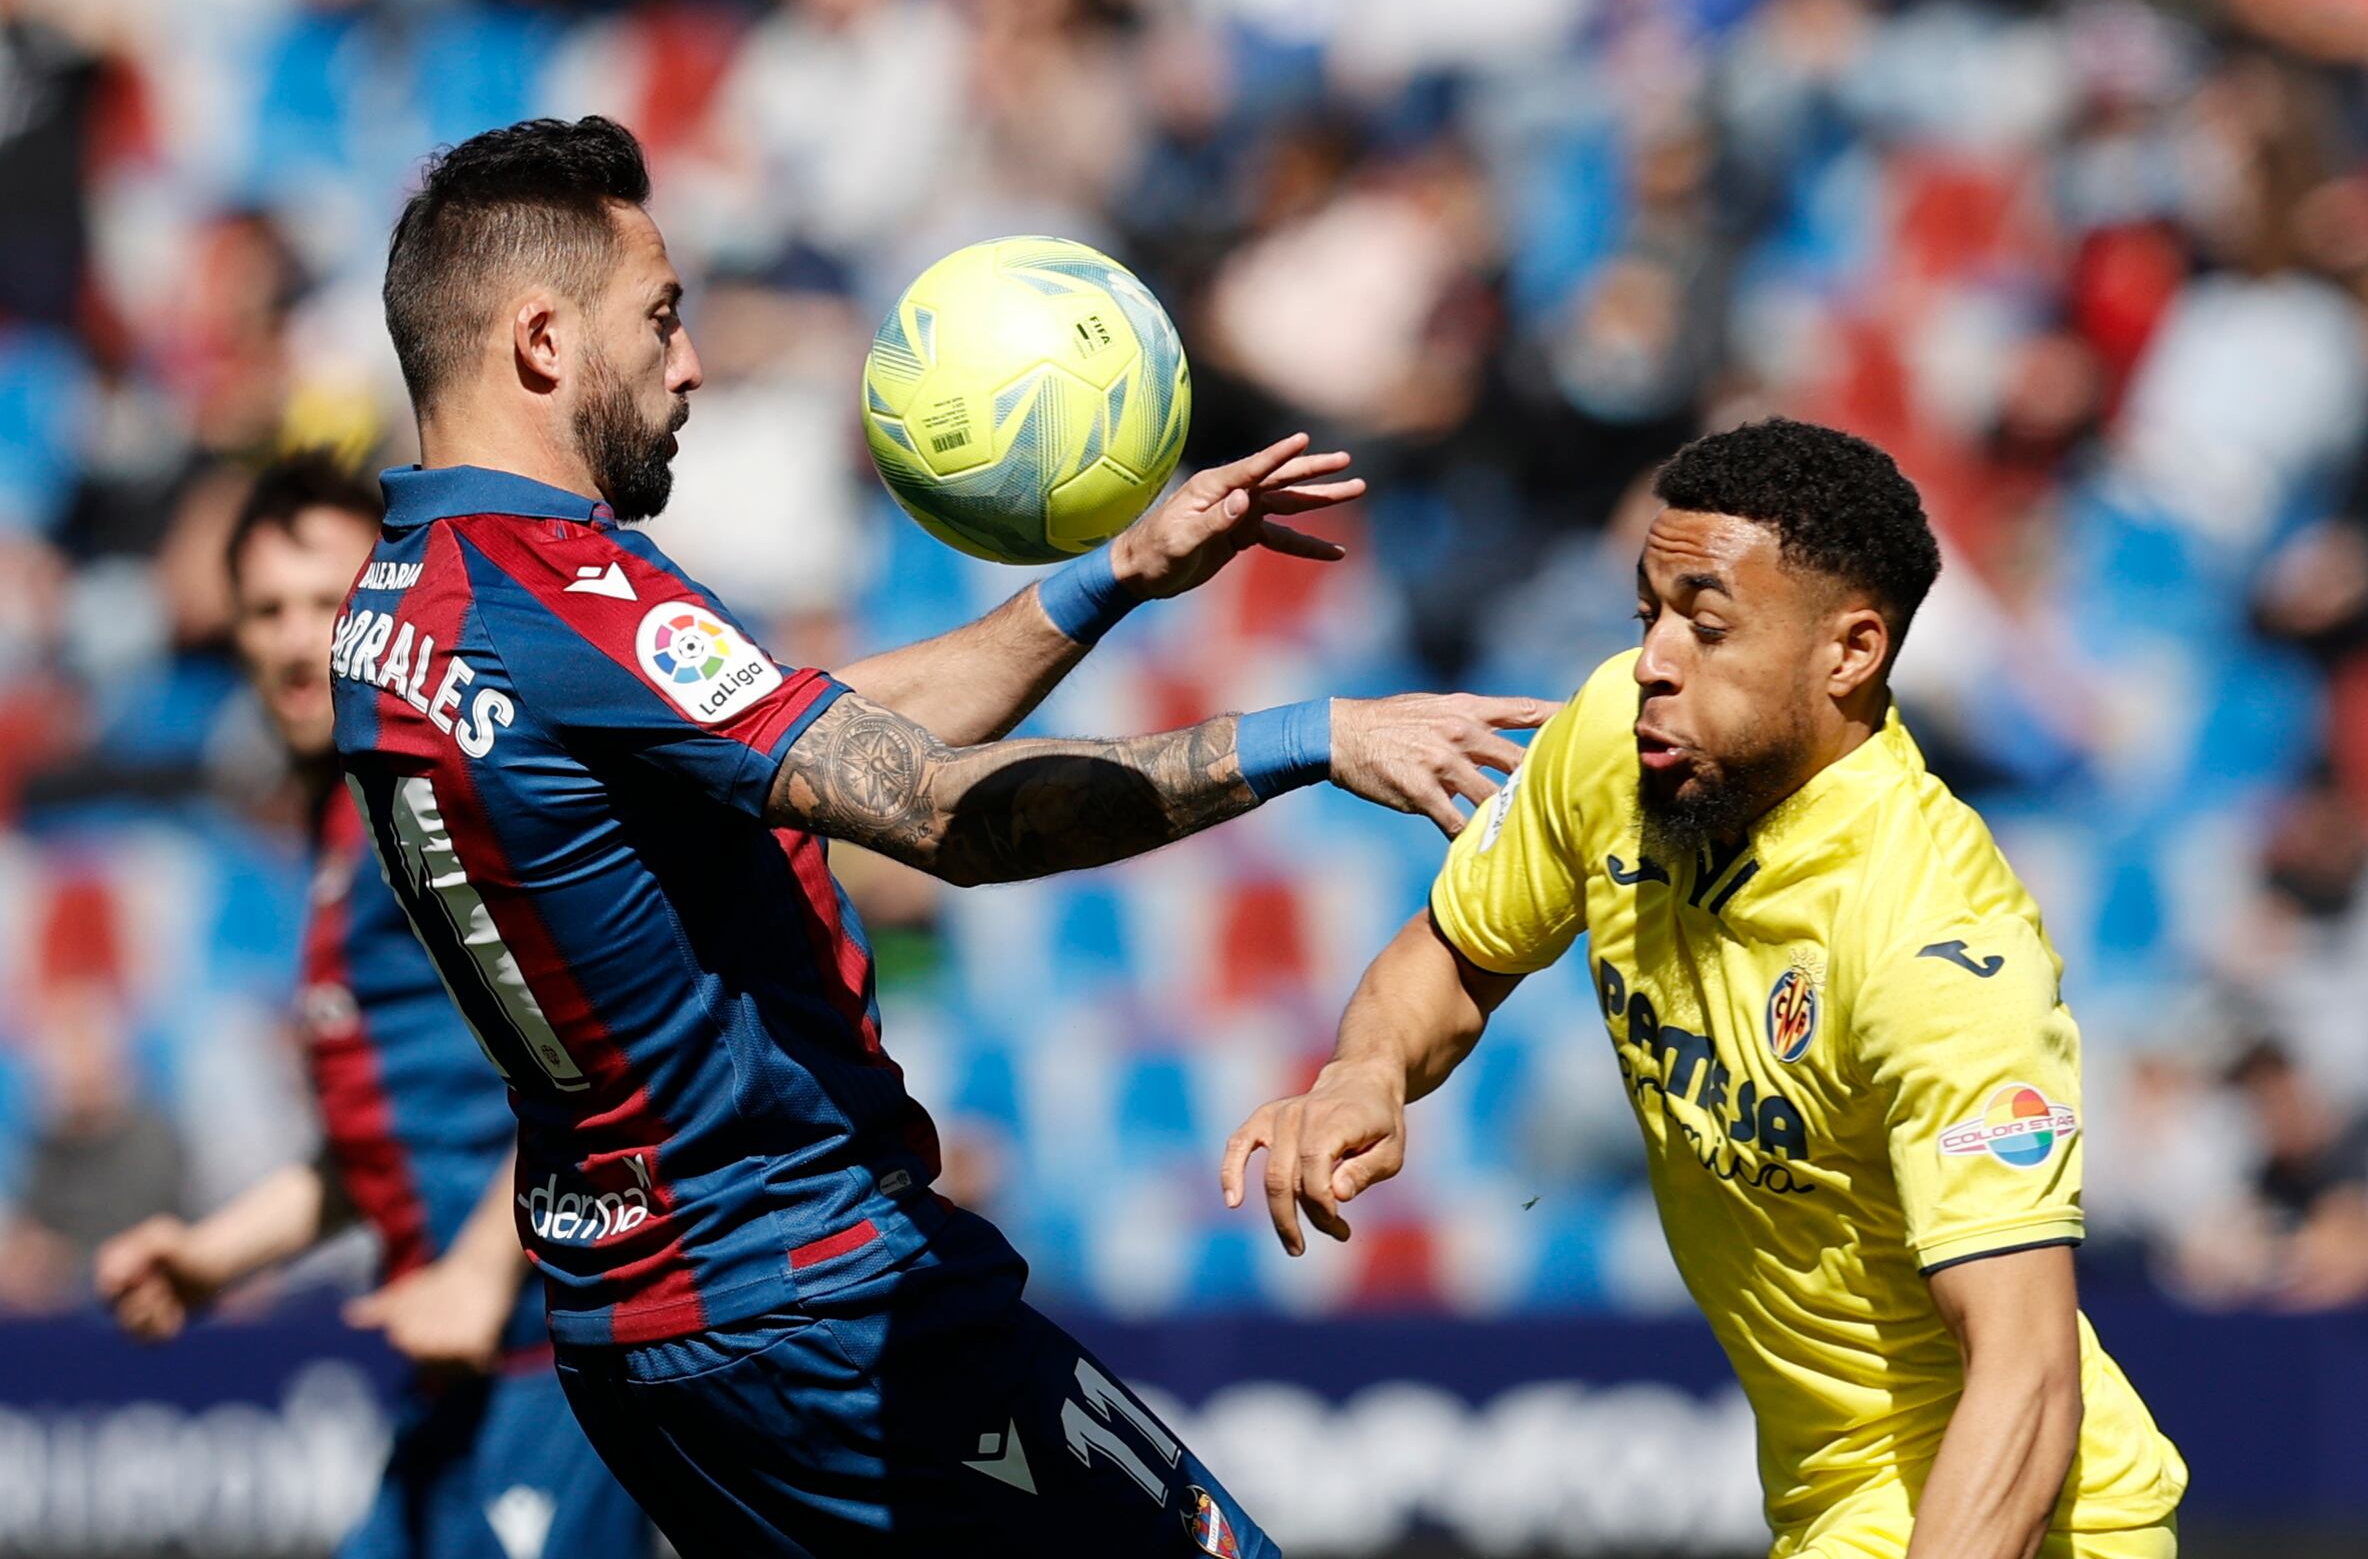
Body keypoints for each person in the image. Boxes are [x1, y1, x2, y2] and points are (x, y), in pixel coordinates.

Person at [332, 114, 1546, 1559]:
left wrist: (1114, 579)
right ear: (542, 340)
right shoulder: (566, 593)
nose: (692, 362)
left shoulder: (404, 602)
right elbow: (938, 815)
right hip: (815, 1293)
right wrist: (1308, 738)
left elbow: (820, 729)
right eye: (658, 319)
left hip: (648, 1316)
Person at [1224, 419, 2191, 1559]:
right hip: (1834, 1499)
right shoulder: (1619, 741)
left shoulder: (1937, 943)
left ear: (1850, 652)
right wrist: (1364, 1073)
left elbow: (2026, 1378)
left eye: (1708, 624)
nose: (1653, 660)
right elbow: (1453, 951)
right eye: (1647, 614)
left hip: (2005, 1512)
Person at [95, 455, 652, 1559]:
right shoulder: (341, 827)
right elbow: (387, 1142)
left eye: (329, 601)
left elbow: (611, 1053)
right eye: (268, 610)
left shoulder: (446, 799)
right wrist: (213, 1257)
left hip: (551, 1362)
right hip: (455, 1368)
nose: (300, 640)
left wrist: (481, 1271)